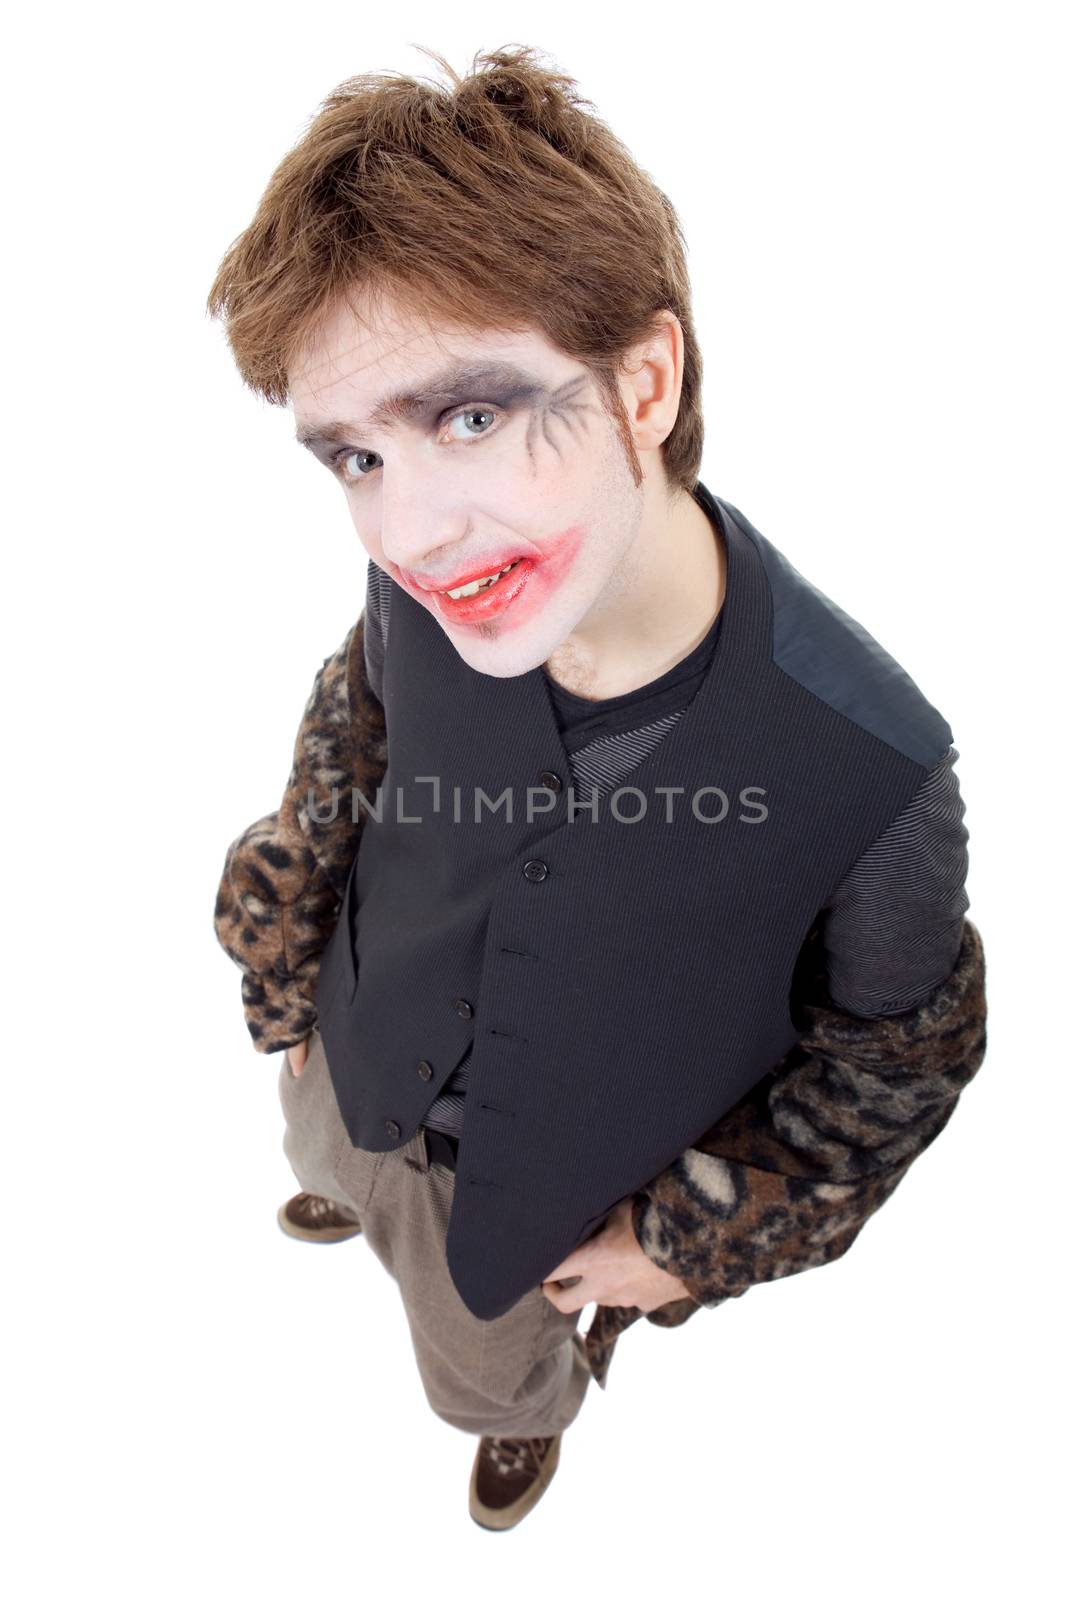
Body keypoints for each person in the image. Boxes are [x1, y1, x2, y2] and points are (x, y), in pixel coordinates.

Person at [208, 44, 988, 1532]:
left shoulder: (877, 766)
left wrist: (685, 1244)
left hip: (549, 1208)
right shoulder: (419, 603)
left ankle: (524, 1413)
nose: (413, 530)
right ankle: (337, 1186)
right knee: (333, 1162)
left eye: (473, 416)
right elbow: (331, 793)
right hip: (349, 1072)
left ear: (644, 378)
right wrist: (291, 1015)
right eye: (357, 455)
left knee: (485, 1360)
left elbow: (890, 1071)